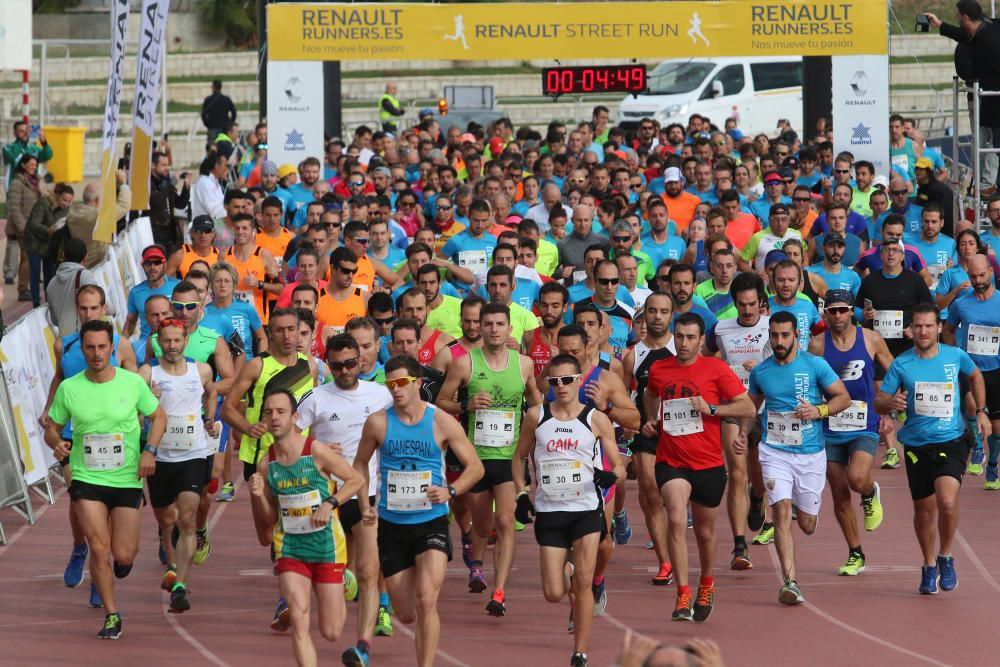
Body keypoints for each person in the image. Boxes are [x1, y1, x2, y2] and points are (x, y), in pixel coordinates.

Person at [354, 355, 484, 667]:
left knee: (427, 600)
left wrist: (450, 491)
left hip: (431, 521)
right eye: (390, 384)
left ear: (418, 383)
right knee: (406, 613)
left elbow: (475, 467)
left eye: (402, 383)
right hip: (392, 523)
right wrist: (365, 503)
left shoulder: (440, 421)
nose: (396, 390)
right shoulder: (378, 422)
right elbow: (360, 464)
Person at [44, 319, 167, 639]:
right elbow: (51, 428)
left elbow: (158, 417)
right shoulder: (70, 388)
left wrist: (149, 451)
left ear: (112, 348)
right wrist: (55, 442)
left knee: (123, 554)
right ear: (81, 350)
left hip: (126, 478)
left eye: (102, 347)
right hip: (86, 477)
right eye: (90, 347)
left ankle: (120, 567)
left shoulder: (131, 382)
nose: (97, 353)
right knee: (99, 548)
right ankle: (112, 614)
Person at [512, 354, 623, 667]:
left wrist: (611, 475)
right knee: (552, 592)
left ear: (578, 381)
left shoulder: (595, 419)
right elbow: (518, 457)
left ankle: (580, 651)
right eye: (554, 381)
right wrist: (521, 493)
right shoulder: (536, 416)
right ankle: (569, 571)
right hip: (550, 511)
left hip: (586, 509)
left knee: (585, 583)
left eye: (567, 380)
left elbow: (619, 464)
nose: (560, 386)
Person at [642, 312, 754, 621]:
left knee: (705, 532)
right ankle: (683, 593)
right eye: (679, 336)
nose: (684, 343)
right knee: (676, 518)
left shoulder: (715, 369)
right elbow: (650, 394)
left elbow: (746, 405)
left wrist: (713, 408)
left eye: (691, 337)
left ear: (701, 340)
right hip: (671, 460)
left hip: (707, 463)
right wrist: (652, 420)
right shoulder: (659, 368)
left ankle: (706, 582)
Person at [875, 303, 991, 594]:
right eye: (919, 326)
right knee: (924, 510)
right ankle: (928, 565)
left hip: (951, 440)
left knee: (947, 501)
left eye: (929, 326)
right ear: (911, 329)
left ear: (939, 328)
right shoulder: (902, 363)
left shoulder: (955, 356)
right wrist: (891, 404)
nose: (924, 331)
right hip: (916, 445)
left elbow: (976, 375)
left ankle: (946, 556)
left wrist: (982, 410)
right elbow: (879, 400)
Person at [295, 334, 394, 666]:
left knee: (369, 570)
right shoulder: (315, 399)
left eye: (350, 363)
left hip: (367, 493)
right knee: (333, 574)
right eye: (336, 365)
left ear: (361, 361)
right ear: (329, 364)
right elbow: (291, 445)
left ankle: (363, 644)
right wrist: (316, 451)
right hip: (328, 497)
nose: (344, 371)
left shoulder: (381, 395)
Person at [437, 303, 541, 615]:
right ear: (480, 328)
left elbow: (536, 401)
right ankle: (477, 561)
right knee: (483, 524)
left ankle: (499, 592)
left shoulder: (524, 365)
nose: (494, 329)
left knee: (506, 521)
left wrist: (539, 426)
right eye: (488, 324)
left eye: (500, 324)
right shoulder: (465, 364)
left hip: (510, 458)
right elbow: (442, 401)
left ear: (510, 328)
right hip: (477, 459)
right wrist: (466, 406)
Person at [247, 390, 364, 667]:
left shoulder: (316, 451)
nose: (274, 417)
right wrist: (258, 496)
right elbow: (266, 525)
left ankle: (345, 579)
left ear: (295, 417)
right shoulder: (267, 465)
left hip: (326, 547)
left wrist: (330, 504)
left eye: (281, 412)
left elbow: (355, 480)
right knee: (299, 619)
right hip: (291, 547)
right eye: (269, 412)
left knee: (332, 631)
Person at [39, 284, 137, 607]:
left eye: (94, 308)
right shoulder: (64, 345)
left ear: (105, 308)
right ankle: (82, 547)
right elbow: (59, 378)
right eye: (83, 308)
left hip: (111, 437)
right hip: (73, 434)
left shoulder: (120, 346)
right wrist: (48, 407)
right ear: (76, 310)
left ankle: (100, 570)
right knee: (78, 500)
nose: (89, 313)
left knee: (106, 507)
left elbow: (133, 384)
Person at [746, 311, 850, 604]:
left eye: (785, 335)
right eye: (774, 335)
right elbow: (750, 407)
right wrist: (742, 434)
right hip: (774, 451)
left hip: (810, 454)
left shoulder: (815, 365)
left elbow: (842, 397)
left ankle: (805, 509)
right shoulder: (761, 372)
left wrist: (819, 411)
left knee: (805, 523)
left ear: (796, 336)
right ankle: (790, 583)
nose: (779, 341)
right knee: (780, 512)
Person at [808, 290, 893, 576]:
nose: (838, 315)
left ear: (852, 311)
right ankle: (855, 553)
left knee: (856, 478)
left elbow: (894, 373)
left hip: (863, 424)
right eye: (832, 311)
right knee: (839, 492)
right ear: (825, 314)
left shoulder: (871, 339)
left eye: (843, 310)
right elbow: (805, 381)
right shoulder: (817, 345)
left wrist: (887, 409)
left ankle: (870, 492)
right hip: (829, 427)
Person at [139, 318, 218, 612]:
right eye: (167, 341)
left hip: (193, 454)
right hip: (159, 457)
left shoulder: (201, 369)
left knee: (186, 518)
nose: (172, 346)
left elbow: (211, 391)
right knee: (166, 519)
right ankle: (171, 559)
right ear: (159, 341)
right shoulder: (148, 372)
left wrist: (208, 419)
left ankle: (181, 584)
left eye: (177, 340)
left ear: (186, 341)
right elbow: (133, 410)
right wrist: (147, 401)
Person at [706, 272, 773, 555]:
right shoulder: (721, 329)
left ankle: (757, 498)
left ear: (761, 303)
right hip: (734, 407)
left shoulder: (774, 327)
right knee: (736, 473)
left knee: (759, 476)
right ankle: (739, 544)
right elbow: (705, 360)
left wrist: (761, 370)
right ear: (734, 302)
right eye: (741, 304)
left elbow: (789, 360)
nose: (746, 310)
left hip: (767, 408)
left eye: (751, 304)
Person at [622, 293, 676, 584]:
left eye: (663, 311)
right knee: (651, 491)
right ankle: (665, 561)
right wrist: (630, 422)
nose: (657, 316)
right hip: (647, 431)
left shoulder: (682, 347)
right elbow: (621, 397)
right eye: (652, 311)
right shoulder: (633, 355)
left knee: (676, 498)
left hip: (681, 433)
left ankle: (675, 545)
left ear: (671, 315)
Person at [942, 255, 1000, 488]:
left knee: (996, 424)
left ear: (991, 272)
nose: (977, 280)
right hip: (969, 368)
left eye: (982, 275)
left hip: (995, 368)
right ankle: (977, 448)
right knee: (971, 408)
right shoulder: (961, 304)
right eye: (973, 276)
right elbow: (947, 330)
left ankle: (993, 464)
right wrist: (956, 354)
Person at [45, 237, 101, 335]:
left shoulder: (51, 284)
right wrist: (113, 310)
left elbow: (54, 320)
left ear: (65, 257)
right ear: (85, 258)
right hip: (82, 338)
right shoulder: (85, 275)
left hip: (64, 341)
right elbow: (98, 301)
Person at [125, 245, 181, 339]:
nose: (153, 267)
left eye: (157, 262)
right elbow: (130, 323)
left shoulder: (178, 286)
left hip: (174, 340)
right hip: (146, 342)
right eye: (148, 263)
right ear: (143, 266)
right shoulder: (135, 292)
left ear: (165, 264)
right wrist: (120, 345)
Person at [7, 153, 43, 301]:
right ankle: (23, 289)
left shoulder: (36, 182)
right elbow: (14, 208)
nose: (34, 167)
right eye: (31, 164)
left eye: (35, 164)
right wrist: (22, 228)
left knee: (32, 259)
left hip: (35, 227)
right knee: (26, 259)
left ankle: (28, 286)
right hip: (24, 229)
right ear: (23, 165)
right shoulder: (17, 183)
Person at [191, 153, 228, 220]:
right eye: (225, 165)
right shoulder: (203, 182)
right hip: (205, 227)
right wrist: (232, 210)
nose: (226, 168)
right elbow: (214, 212)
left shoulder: (214, 182)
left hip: (217, 222)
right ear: (216, 166)